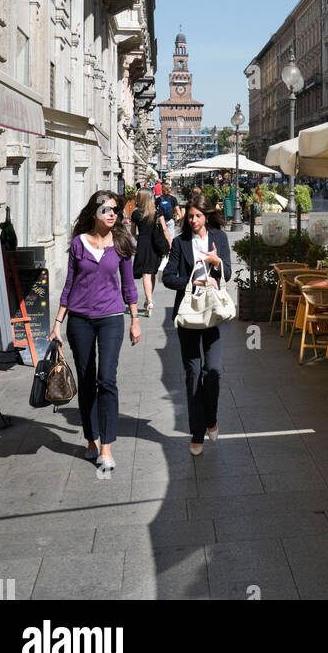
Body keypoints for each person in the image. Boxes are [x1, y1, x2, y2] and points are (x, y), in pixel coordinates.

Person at [48, 190, 140, 473]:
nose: (113, 214)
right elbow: (69, 284)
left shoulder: (122, 244)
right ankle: (90, 439)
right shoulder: (79, 244)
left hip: (112, 318)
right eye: (107, 210)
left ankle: (106, 447)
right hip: (80, 320)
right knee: (87, 380)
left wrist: (135, 319)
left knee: (107, 380)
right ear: (94, 214)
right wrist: (57, 323)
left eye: (115, 210)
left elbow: (128, 285)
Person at [163, 193, 232, 456]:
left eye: (198, 216)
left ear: (206, 216)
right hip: (189, 315)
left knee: (212, 370)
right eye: (190, 216)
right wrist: (191, 282)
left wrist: (217, 264)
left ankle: (211, 418)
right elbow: (168, 277)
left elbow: (227, 270)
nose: (193, 220)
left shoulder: (219, 238)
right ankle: (196, 433)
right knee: (193, 373)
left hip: (213, 312)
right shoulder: (180, 243)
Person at [132, 187, 172, 316]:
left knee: (146, 273)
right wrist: (170, 244)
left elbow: (133, 232)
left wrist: (138, 238)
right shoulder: (157, 212)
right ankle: (149, 299)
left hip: (143, 244)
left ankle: (149, 300)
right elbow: (165, 229)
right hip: (156, 244)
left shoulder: (136, 213)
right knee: (152, 272)